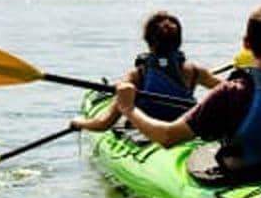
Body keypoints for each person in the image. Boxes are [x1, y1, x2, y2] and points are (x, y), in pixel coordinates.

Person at [112, 5, 261, 173]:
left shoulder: (230, 94)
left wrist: (129, 109)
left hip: (243, 177)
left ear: (246, 44)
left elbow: (167, 137)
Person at [70, 11, 222, 131]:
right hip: (183, 129)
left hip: (150, 132)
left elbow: (104, 123)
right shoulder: (195, 71)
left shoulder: (137, 75)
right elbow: (231, 90)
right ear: (179, 42)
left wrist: (79, 123)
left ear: (148, 41)